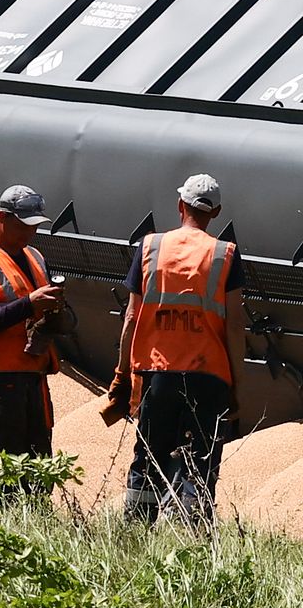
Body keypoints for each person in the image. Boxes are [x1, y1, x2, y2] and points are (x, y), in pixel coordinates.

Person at [106, 172, 245, 525]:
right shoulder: (224, 254)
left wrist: (122, 375)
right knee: (201, 461)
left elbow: (131, 318)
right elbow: (234, 326)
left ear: (180, 205)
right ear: (216, 213)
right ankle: (192, 536)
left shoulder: (151, 247)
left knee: (148, 457)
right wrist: (237, 386)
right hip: (208, 376)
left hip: (158, 374)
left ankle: (136, 529)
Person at [0, 185, 64, 483]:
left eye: (35, 226)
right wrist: (29, 305)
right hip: (2, 379)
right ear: (2, 217)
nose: (30, 233)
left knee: (39, 462)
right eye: (23, 226)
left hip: (35, 375)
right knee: (3, 465)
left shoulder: (36, 258)